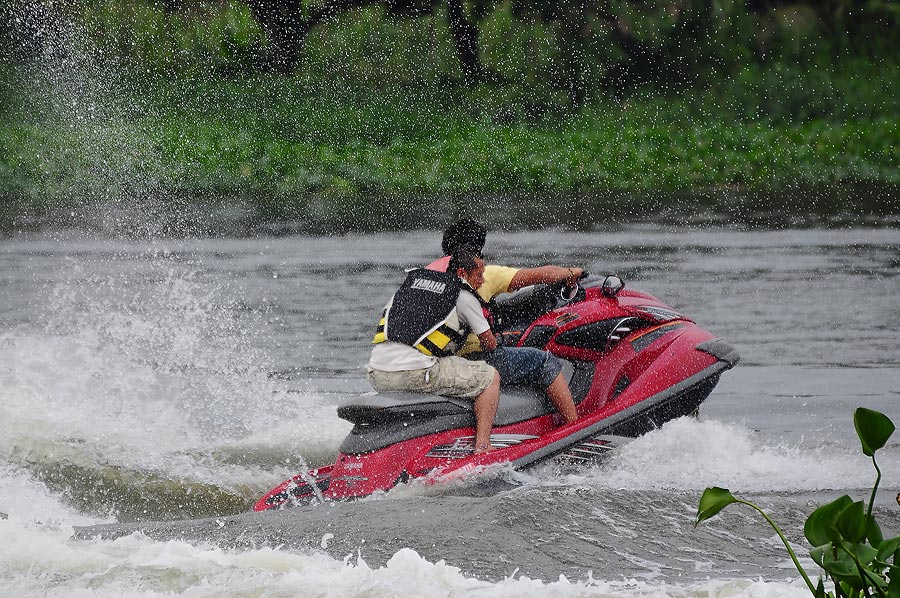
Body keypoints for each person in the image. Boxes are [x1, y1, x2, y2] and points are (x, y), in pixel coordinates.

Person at [426, 218, 582, 425]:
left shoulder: (426, 275)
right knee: (544, 361)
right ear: (477, 249)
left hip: (428, 360)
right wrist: (571, 273)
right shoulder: (482, 274)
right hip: (467, 359)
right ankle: (573, 426)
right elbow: (537, 275)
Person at [367, 248, 502, 454]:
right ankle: (483, 445)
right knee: (490, 377)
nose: (482, 281)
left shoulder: (409, 288)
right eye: (478, 275)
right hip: (416, 374)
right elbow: (490, 344)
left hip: (377, 374)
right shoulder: (463, 295)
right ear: (461, 274)